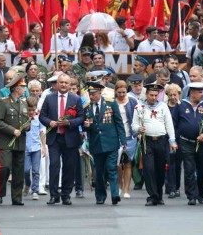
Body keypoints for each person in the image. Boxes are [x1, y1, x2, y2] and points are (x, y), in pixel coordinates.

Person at [39, 74, 85, 205]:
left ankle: (66, 194)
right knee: (54, 165)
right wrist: (50, 122)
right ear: (57, 84)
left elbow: (81, 117)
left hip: (70, 137)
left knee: (69, 167)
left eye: (66, 82)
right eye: (61, 82)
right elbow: (42, 116)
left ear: (70, 85)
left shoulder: (76, 99)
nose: (63, 85)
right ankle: (54, 195)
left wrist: (69, 123)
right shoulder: (49, 98)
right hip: (54, 137)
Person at [132, 83, 177, 206]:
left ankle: (159, 195)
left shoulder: (163, 106)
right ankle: (152, 196)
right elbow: (134, 125)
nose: (153, 97)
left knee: (160, 169)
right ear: (146, 94)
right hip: (147, 141)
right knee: (149, 169)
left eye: (155, 95)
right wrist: (138, 128)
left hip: (161, 141)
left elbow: (169, 124)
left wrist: (172, 141)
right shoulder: (139, 107)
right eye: (151, 95)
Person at [83, 81, 126, 205]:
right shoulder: (87, 107)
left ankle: (115, 194)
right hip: (96, 144)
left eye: (94, 93)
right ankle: (100, 195)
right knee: (99, 171)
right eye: (90, 94)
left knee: (112, 168)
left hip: (111, 142)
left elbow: (119, 122)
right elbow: (85, 126)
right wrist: (86, 126)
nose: (92, 96)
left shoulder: (111, 104)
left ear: (100, 92)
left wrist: (123, 140)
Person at [172, 82, 203, 205]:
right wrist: (174, 139)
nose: (202, 94)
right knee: (189, 169)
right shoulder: (180, 105)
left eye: (202, 92)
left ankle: (201, 193)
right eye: (199, 92)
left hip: (202, 143)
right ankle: (191, 196)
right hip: (186, 142)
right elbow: (174, 123)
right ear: (192, 92)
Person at [0, 75, 30, 206]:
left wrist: (27, 126)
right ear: (16, 88)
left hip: (20, 141)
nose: (25, 89)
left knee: (19, 170)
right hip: (6, 141)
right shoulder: (3, 102)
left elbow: (25, 120)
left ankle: (17, 197)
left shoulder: (23, 103)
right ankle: (0, 193)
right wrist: (12, 130)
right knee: (5, 167)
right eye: (23, 87)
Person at [114, 80, 138, 199]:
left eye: (124, 92)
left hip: (130, 136)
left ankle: (127, 189)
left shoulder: (133, 101)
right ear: (115, 92)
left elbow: (137, 117)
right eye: (119, 92)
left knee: (128, 163)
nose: (122, 95)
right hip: (116, 136)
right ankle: (119, 185)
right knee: (118, 164)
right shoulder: (112, 103)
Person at [23, 96, 45, 201]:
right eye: (29, 110)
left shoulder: (38, 118)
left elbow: (42, 132)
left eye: (33, 110)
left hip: (36, 147)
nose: (31, 112)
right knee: (26, 170)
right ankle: (27, 183)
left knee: (36, 170)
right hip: (25, 148)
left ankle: (35, 190)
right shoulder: (23, 118)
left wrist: (44, 147)